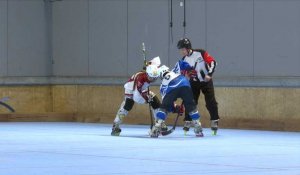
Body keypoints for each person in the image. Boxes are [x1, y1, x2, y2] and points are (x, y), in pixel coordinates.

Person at [174, 38, 220, 135]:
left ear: (188, 48)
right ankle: (188, 120)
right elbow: (183, 73)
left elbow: (213, 62)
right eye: (180, 50)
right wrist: (185, 76)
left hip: (206, 81)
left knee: (210, 102)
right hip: (193, 83)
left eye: (183, 49)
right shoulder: (184, 60)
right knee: (190, 102)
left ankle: (214, 120)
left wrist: (209, 74)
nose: (181, 52)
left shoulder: (200, 53)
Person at [149, 65, 203, 138]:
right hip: (185, 84)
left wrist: (175, 109)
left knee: (163, 108)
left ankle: (156, 128)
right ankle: (198, 128)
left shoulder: (163, 84)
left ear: (161, 75)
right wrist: (190, 67)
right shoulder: (176, 72)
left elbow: (167, 103)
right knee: (191, 106)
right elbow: (182, 63)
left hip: (172, 89)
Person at [111, 63, 162, 136]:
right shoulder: (140, 79)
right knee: (128, 105)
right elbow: (137, 96)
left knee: (155, 102)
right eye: (151, 78)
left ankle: (158, 124)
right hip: (131, 89)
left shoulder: (149, 74)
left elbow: (155, 62)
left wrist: (149, 64)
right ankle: (116, 124)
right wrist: (146, 100)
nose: (153, 79)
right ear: (147, 74)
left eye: (155, 78)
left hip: (142, 88)